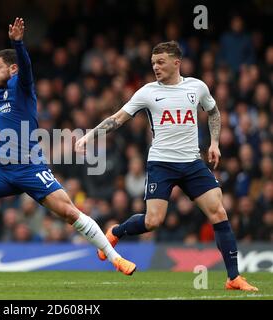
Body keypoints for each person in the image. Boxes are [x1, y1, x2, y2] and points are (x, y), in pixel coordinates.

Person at [0, 18, 136, 276]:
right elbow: (12, 126)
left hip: (29, 168)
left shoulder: (21, 85)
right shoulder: (1, 95)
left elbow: (26, 67)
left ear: (12, 69)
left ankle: (115, 258)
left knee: (70, 213)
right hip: (4, 172)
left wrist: (18, 43)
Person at [75, 41, 258, 291]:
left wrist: (214, 143)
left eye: (160, 62)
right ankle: (116, 231)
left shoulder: (197, 87)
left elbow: (214, 112)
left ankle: (233, 277)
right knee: (153, 221)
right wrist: (90, 135)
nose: (156, 67)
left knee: (219, 212)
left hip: (192, 162)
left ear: (176, 63)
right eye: (153, 63)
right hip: (162, 163)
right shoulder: (147, 92)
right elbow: (117, 119)